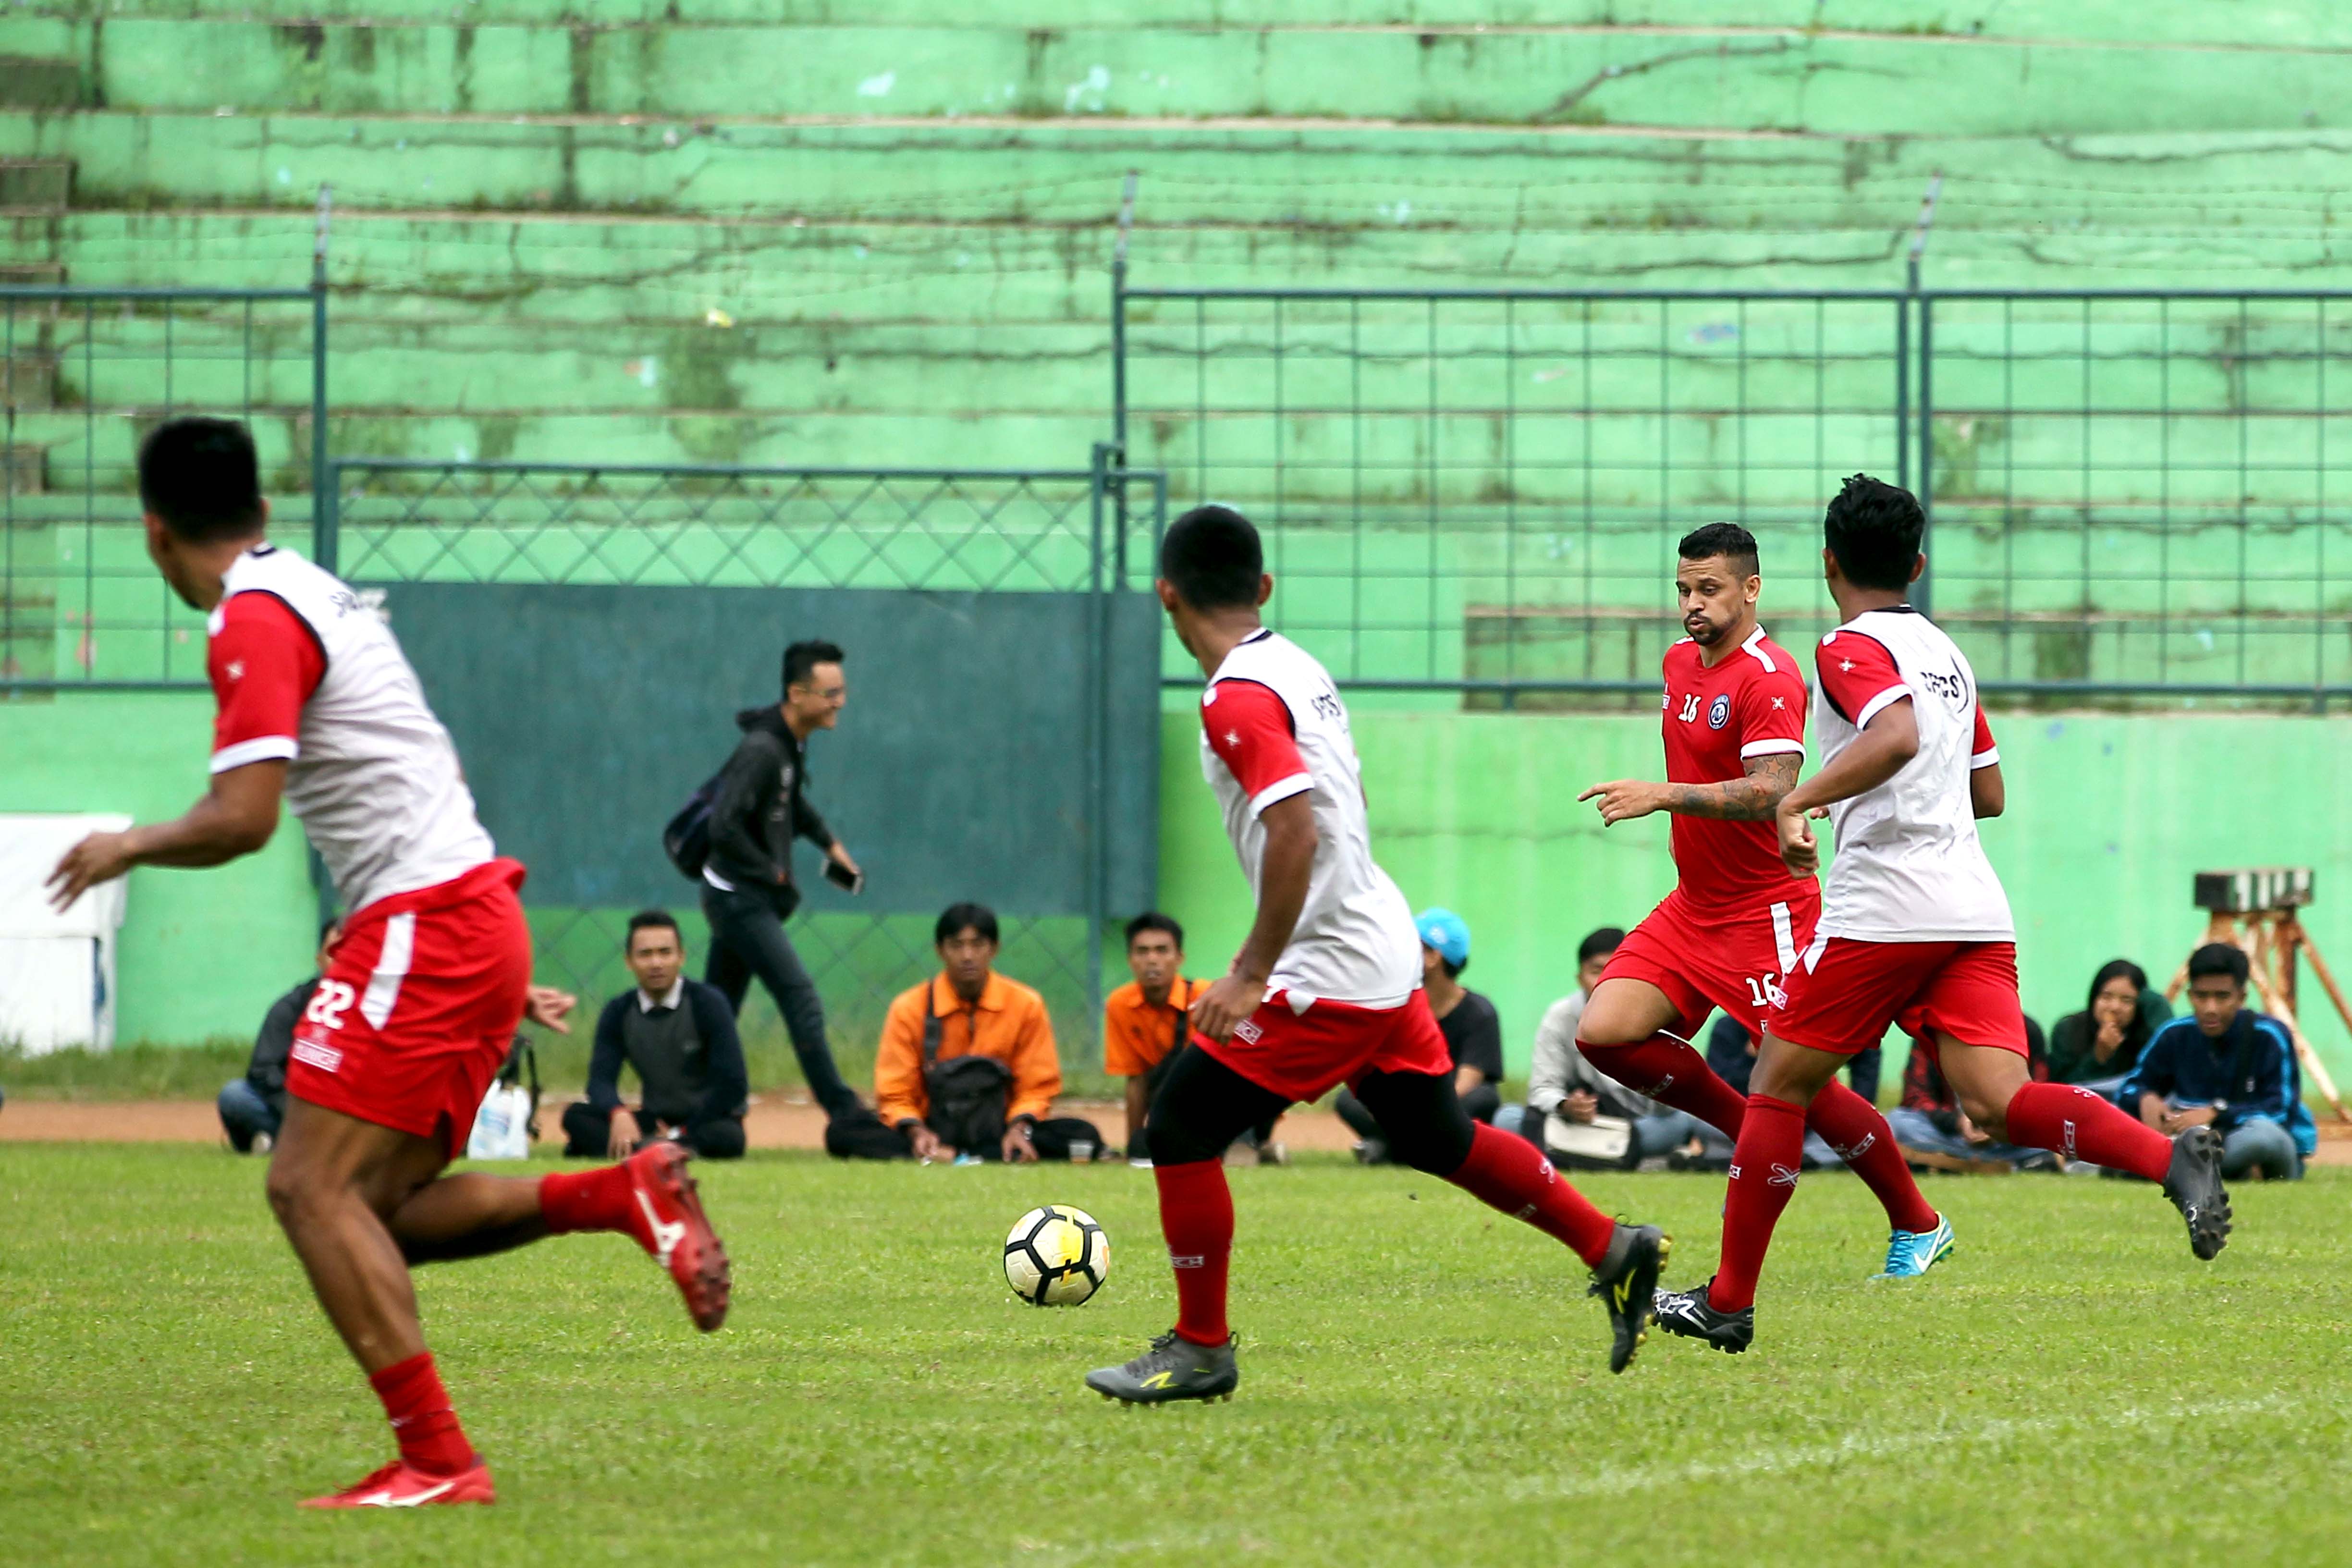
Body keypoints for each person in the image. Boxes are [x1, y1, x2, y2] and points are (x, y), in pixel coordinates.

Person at [44, 417, 732, 1507]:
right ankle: (619, 1193)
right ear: (262, 514)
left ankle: (440, 1461)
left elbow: (245, 816)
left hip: (423, 924)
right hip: (464, 916)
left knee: (306, 1187)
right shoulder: (303, 583)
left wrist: (130, 841)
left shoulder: (251, 618)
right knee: (377, 1209)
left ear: (152, 532)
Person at [1083, 503, 1669, 1406]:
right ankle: (1611, 1244)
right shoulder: (1294, 663)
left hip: (1328, 966)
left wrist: (1247, 973)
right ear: (1264, 587)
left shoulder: (1235, 694)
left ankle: (1202, 1346)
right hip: (1382, 941)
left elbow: (1293, 831)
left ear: (1167, 594)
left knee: (1180, 1128)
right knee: (1437, 1135)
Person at [1650, 475, 2232, 1357]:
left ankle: (1729, 1299)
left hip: (1884, 906)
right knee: (1998, 1103)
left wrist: (1798, 800)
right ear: (1918, 564)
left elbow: (1894, 738)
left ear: (1827, 562)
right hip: (1972, 905)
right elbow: (1988, 791)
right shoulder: (1947, 656)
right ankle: (2168, 1155)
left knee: (1775, 1084)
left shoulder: (1847, 645)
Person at [1570, 520, 1949, 1278]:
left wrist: (1662, 795)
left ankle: (1919, 1220)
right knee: (1605, 1035)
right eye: (1683, 589)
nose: (1691, 605)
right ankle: (1749, 1127)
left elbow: (1773, 789)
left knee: (1800, 1077)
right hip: (1694, 906)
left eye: (1708, 589)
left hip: (1765, 913)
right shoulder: (1681, 662)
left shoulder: (1771, 676)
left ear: (1752, 588)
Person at [699, 639, 866, 1124]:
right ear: (797, 694)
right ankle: (842, 1109)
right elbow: (723, 825)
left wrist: (831, 847)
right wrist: (769, 871)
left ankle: (699, 1101)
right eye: (830, 693)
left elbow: (792, 805)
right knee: (799, 996)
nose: (840, 702)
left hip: (745, 896)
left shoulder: (787, 744)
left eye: (842, 691)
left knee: (719, 1008)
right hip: (738, 899)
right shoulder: (762, 750)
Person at [871, 903, 1101, 1162]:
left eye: (977, 945)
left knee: (1084, 1134)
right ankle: (954, 1152)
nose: (967, 956)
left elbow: (1037, 1086)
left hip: (1000, 1128)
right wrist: (916, 1132)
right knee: (844, 1131)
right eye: (957, 946)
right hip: (933, 1128)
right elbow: (894, 1090)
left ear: (994, 949)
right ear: (940, 952)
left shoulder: (1026, 1005)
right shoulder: (909, 1008)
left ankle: (962, 1155)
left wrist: (1019, 1130)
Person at [563, 910, 749, 1162]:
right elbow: (600, 1082)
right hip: (652, 1119)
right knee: (575, 1117)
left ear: (681, 957)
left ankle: (646, 1150)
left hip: (702, 1122)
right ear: (629, 961)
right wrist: (618, 1114)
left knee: (729, 1138)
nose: (656, 964)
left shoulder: (707, 1003)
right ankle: (658, 1151)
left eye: (665, 953)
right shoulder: (619, 1011)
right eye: (645, 954)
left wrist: (679, 1132)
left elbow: (733, 1084)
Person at [2120, 943, 2313, 1181]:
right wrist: (2145, 1098)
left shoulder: (2270, 1036)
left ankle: (2174, 1167)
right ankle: (2214, 1169)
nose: (2210, 1008)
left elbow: (2280, 1112)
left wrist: (2217, 1113)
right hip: (2191, 1140)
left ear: (2242, 997)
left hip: (2245, 1140)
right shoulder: (2174, 1034)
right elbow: (2128, 1088)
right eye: (2201, 997)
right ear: (2190, 996)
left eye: (2222, 997)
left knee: (2265, 1138)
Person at [1335, 907, 1505, 1162]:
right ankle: (1419, 1152)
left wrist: (1420, 1111)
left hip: (1447, 1105)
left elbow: (1469, 1080)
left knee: (1483, 1098)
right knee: (1350, 1099)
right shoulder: (1397, 1004)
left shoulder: (1479, 1012)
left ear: (1433, 957)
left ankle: (1390, 1149)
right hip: (1401, 1103)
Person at [220, 917, 340, 1154]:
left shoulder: (373, 1011)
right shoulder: (291, 1007)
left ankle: (275, 1145)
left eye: (349, 954)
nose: (341, 962)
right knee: (236, 1096)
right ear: (319, 959)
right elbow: (262, 1071)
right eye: (333, 953)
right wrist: (300, 1110)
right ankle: (300, 1144)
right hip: (292, 1110)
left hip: (344, 1116)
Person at [1888, 1018, 2059, 1172]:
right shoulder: (1930, 1031)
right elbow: (1915, 1097)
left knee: (2056, 1129)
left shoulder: (2025, 1030)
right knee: (1898, 1121)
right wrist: (1957, 1123)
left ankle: (1951, 1161)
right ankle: (2011, 1164)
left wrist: (2000, 1123)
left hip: (2008, 1137)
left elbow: (2039, 1094)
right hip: (1952, 1135)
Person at [2046, 958, 2169, 1097]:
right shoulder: (2068, 1030)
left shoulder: (2144, 1035)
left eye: (2127, 1000)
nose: (2115, 1007)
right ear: (2094, 998)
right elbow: (2059, 1088)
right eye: (2106, 997)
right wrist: (2099, 1057)